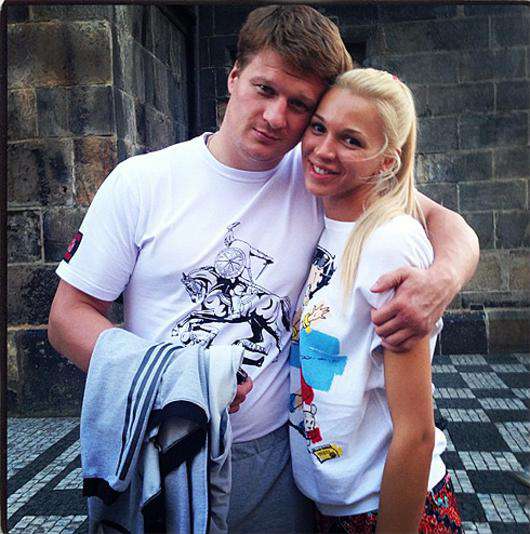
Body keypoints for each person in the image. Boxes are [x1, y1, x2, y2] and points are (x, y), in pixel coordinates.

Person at [48, 5, 477, 533]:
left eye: (299, 105)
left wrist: (442, 280)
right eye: (265, 89)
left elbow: (440, 220)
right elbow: (67, 317)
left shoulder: (320, 174)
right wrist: (179, 379)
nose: (276, 116)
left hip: (278, 462)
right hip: (162, 444)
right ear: (234, 77)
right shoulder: (141, 182)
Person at [289, 68, 462, 533]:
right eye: (319, 128)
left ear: (387, 162)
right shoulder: (327, 218)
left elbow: (416, 433)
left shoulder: (389, 243)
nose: (323, 149)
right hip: (332, 504)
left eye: (351, 140)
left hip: (384, 506)